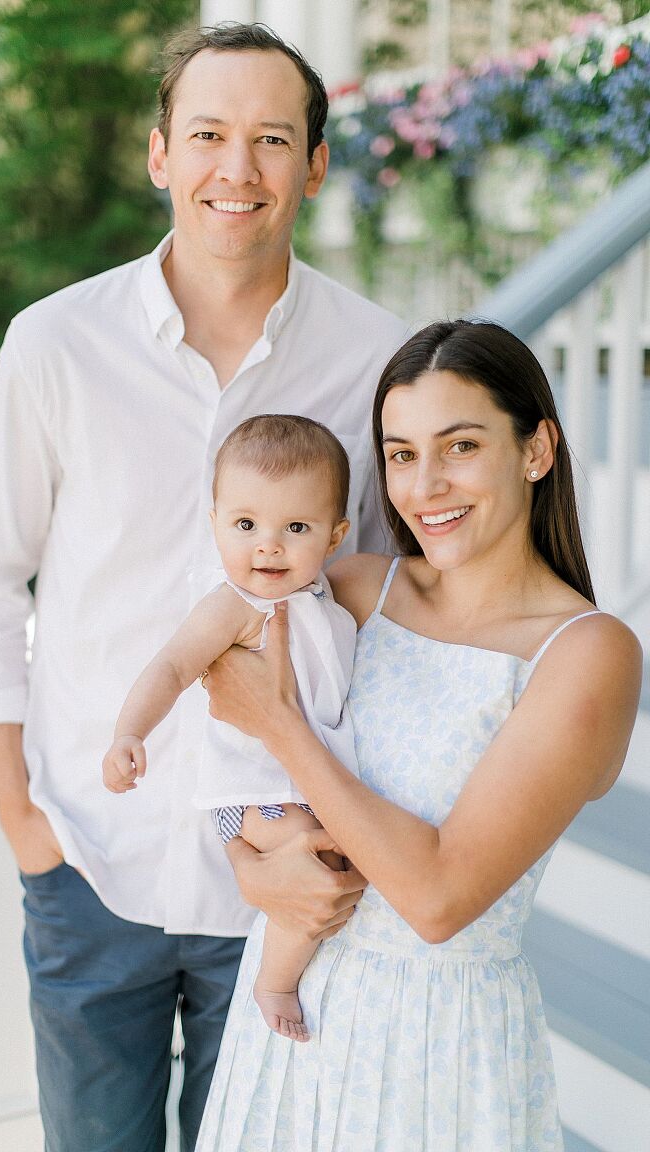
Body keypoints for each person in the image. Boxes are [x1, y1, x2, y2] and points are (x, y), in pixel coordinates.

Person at [0, 21, 408, 1152]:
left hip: (281, 884)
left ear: (313, 165)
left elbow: (398, 606)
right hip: (87, 859)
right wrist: (21, 816)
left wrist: (342, 844)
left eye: (269, 138)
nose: (235, 169)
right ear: (161, 154)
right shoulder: (54, 345)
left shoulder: (382, 356)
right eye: (207, 134)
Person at [196, 319, 642, 1152]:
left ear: (537, 448)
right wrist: (253, 866)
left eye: (460, 445)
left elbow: (438, 900)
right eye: (401, 454)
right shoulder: (357, 589)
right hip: (291, 1014)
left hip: (434, 1045)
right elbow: (230, 744)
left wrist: (283, 727)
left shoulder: (584, 654)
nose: (425, 484)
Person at [103, 414, 360, 1043]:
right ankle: (275, 980)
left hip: (305, 777)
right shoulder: (236, 605)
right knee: (314, 854)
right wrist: (129, 732)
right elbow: (170, 666)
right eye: (245, 525)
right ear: (215, 523)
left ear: (335, 535)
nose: (267, 545)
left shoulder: (326, 599)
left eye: (295, 527)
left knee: (345, 848)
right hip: (255, 791)